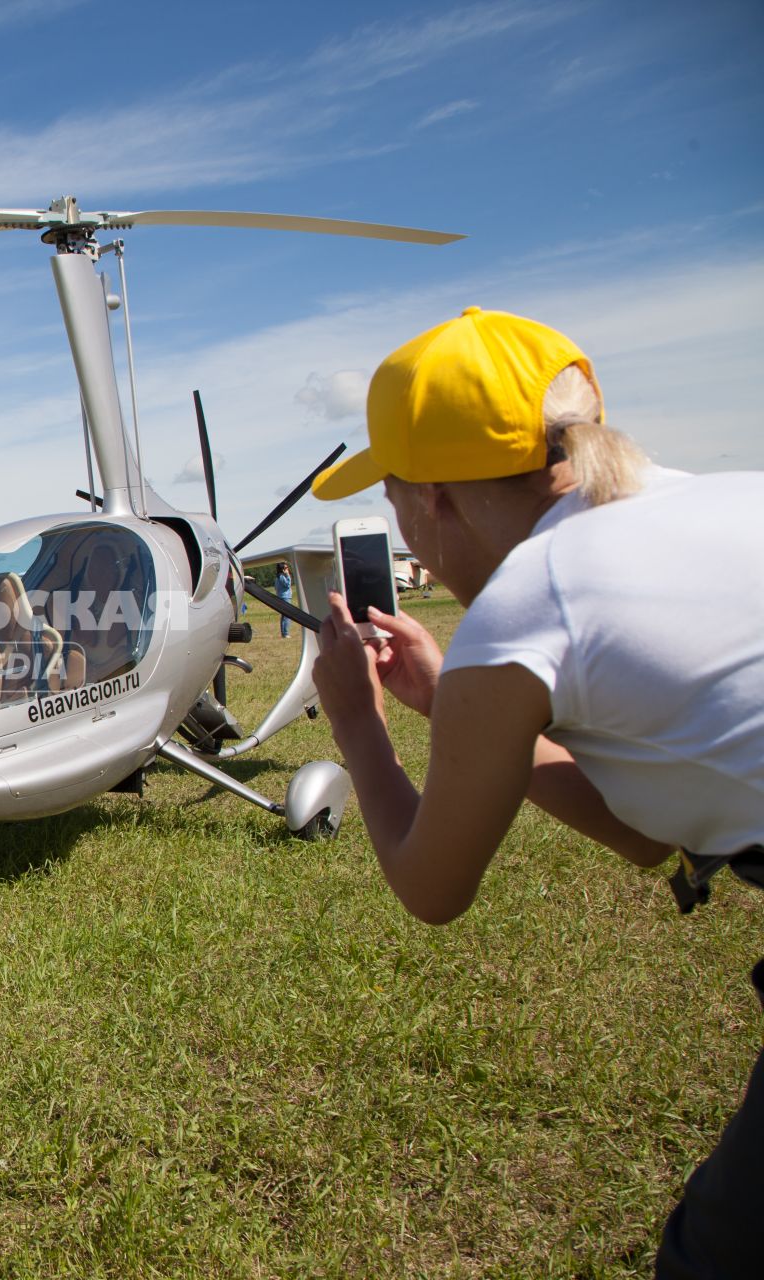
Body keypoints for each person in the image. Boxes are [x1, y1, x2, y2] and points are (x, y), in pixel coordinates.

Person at [307, 307, 763, 1278]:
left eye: (393, 503)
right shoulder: (724, 496)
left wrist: (358, 724)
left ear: (433, 498)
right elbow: (645, 834)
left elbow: (432, 886)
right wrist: (444, 702)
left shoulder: (526, 601)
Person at [275, 563, 294, 637]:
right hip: (285, 597)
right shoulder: (282, 577)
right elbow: (288, 585)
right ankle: (286, 633)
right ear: (283, 569)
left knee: (284, 616)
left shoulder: (278, 577)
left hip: (281, 596)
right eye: (286, 568)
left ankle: (284, 633)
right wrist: (288, 575)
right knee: (287, 615)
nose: (287, 569)